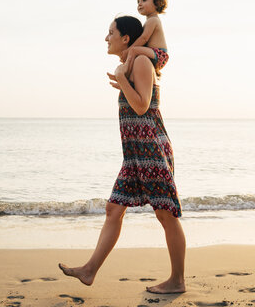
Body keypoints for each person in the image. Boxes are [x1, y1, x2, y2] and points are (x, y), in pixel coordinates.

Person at [58, 15, 186, 295]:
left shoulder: (141, 62)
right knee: (114, 209)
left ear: (125, 38)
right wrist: (122, 77)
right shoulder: (129, 65)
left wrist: (121, 79)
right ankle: (90, 270)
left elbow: (141, 107)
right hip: (134, 154)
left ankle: (177, 280)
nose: (107, 38)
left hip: (151, 151)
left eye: (110, 32)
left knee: (166, 215)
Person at [121, 0, 169, 77]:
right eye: (138, 1)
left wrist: (128, 50)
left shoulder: (153, 20)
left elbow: (144, 38)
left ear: (157, 3)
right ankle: (130, 76)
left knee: (134, 51)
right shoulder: (149, 21)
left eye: (144, 0)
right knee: (135, 54)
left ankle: (125, 73)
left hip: (159, 54)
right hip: (153, 53)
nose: (139, 3)